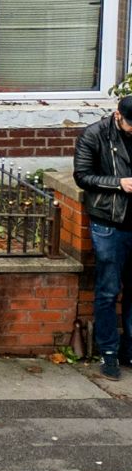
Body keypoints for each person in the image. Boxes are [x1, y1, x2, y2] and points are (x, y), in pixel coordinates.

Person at [73, 95, 132, 378]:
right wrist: (118, 184)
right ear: (117, 115)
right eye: (130, 124)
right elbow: (83, 176)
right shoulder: (94, 135)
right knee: (108, 290)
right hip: (109, 223)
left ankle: (129, 351)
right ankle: (109, 352)